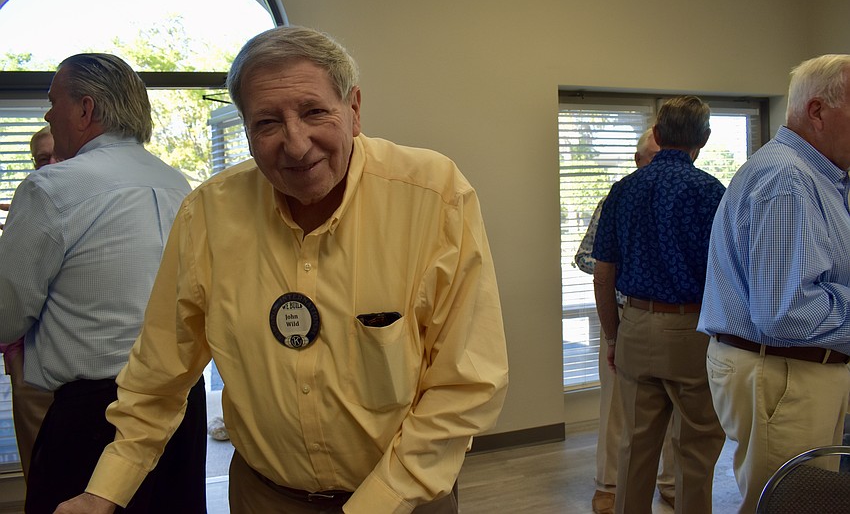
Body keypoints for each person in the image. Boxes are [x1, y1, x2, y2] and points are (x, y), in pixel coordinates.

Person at [55, 25, 509, 514]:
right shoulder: (207, 215)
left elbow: (466, 383)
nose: (296, 144)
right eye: (268, 122)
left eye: (314, 112)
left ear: (354, 109)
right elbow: (159, 371)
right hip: (263, 497)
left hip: (403, 499)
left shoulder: (435, 196)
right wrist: (103, 492)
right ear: (246, 130)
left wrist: (376, 504)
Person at [0, 53, 206, 514]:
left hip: (96, 416)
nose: (47, 115)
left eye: (53, 101)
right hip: (181, 407)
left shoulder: (51, 188)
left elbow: (6, 316)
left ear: (85, 109)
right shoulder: (179, 184)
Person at [698, 54, 850, 513]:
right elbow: (786, 312)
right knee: (792, 505)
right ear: (818, 111)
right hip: (785, 372)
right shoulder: (789, 179)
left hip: (794, 369)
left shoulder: (819, 177)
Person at [592, 96, 727, 514]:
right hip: (692, 332)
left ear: (657, 133)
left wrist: (612, 336)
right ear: (704, 138)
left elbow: (603, 273)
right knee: (696, 449)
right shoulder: (710, 193)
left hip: (635, 326)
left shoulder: (622, 191)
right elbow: (726, 272)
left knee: (635, 446)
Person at [575, 128, 675, 514]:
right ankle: (609, 485)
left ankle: (670, 482)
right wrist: (624, 269)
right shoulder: (617, 199)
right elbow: (585, 257)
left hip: (678, 320)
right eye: (654, 157)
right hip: (622, 316)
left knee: (676, 409)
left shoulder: (686, 197)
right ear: (637, 160)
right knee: (617, 408)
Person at [0, 126, 59, 481]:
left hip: (84, 369)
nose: (50, 165)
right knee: (41, 472)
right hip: (30, 361)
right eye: (41, 159)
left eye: (56, 155)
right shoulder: (31, 202)